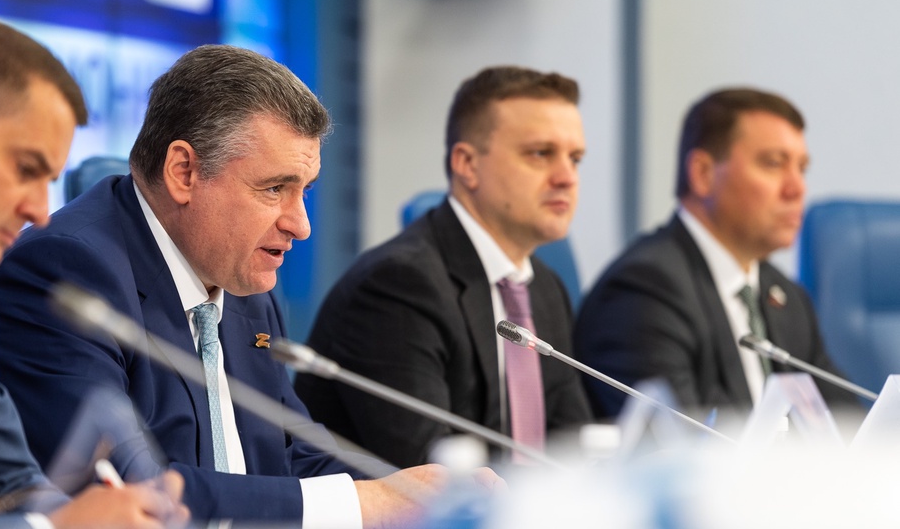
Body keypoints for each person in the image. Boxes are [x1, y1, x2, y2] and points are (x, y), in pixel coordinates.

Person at [0, 44, 476, 528]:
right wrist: (365, 504)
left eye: (304, 191)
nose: (301, 225)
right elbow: (129, 493)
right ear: (184, 172)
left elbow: (294, 453)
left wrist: (417, 499)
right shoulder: (66, 271)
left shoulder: (243, 279)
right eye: (274, 189)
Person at [0, 17, 188, 527]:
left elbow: (8, 479)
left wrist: (114, 514)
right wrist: (53, 527)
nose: (39, 210)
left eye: (50, 180)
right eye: (25, 169)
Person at [296, 66, 594, 468]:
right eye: (540, 153)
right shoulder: (399, 286)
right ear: (467, 164)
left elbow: (573, 448)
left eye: (575, 159)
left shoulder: (544, 287)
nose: (567, 178)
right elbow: (430, 475)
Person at [573, 87, 857, 419]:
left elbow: (847, 427)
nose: (796, 188)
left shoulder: (786, 297)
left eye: (802, 169)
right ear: (703, 174)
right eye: (773, 164)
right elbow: (676, 439)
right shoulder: (644, 291)